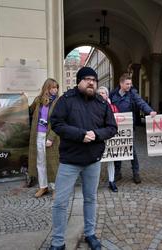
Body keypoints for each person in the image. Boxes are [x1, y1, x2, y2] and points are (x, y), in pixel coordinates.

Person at [49, 67, 117, 250]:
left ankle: (90, 233)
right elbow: (56, 123)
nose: (91, 82)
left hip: (93, 160)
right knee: (60, 202)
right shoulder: (66, 100)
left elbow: (112, 127)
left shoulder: (102, 103)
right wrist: (80, 135)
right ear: (78, 81)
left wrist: (96, 134)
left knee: (90, 199)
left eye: (93, 80)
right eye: (86, 79)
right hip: (69, 160)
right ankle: (57, 242)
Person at [110, 73, 157, 184]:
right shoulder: (113, 94)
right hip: (115, 126)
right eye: (127, 84)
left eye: (130, 84)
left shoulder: (132, 93)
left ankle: (136, 173)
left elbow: (141, 103)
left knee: (131, 149)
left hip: (129, 126)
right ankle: (117, 172)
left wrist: (150, 111)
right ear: (121, 83)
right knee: (117, 147)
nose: (129, 86)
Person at [27, 78, 60, 198]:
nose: (55, 90)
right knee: (40, 162)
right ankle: (43, 186)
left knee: (53, 162)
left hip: (51, 137)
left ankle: (56, 188)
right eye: (52, 87)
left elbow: (59, 121)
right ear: (47, 88)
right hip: (38, 135)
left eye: (56, 87)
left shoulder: (58, 102)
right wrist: (22, 100)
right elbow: (28, 111)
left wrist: (51, 138)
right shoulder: (38, 100)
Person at [97, 86, 119, 192]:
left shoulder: (113, 107)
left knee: (110, 160)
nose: (101, 94)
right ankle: (94, 182)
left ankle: (111, 181)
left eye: (103, 93)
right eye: (99, 93)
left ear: (107, 95)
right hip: (99, 137)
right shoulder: (92, 106)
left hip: (110, 137)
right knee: (97, 160)